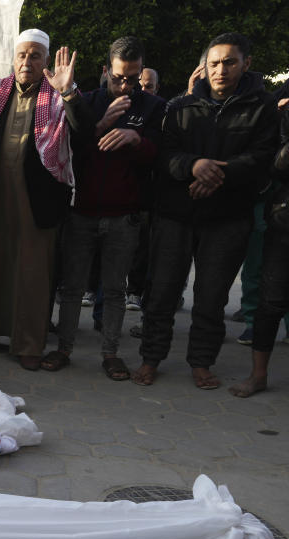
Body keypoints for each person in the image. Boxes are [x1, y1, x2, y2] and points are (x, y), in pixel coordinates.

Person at [132, 33, 278, 389]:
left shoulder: (262, 109)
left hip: (228, 217)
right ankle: (151, 359)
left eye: (229, 62)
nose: (221, 70)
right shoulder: (181, 107)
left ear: (247, 64)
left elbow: (263, 159)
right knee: (162, 292)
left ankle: (201, 362)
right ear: (204, 67)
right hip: (175, 214)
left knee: (211, 297)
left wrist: (218, 174)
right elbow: (164, 156)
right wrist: (193, 166)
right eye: (214, 63)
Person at [0, 29, 94, 370]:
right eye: (22, 55)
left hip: (36, 198)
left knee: (31, 272)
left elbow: (85, 133)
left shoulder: (59, 96)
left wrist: (70, 92)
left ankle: (28, 343)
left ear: (46, 60)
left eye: (35, 56)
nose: (27, 62)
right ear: (13, 57)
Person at [41, 37, 164, 380]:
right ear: (106, 70)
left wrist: (136, 140)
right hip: (80, 212)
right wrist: (99, 125)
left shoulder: (152, 107)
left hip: (124, 216)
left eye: (133, 78)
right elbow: (70, 148)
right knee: (71, 287)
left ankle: (110, 353)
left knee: (114, 290)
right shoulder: (88, 102)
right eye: (119, 77)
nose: (125, 85)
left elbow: (159, 154)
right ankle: (63, 348)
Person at [230, 105, 289, 397]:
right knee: (270, 300)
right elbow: (273, 164)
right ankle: (258, 375)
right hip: (283, 220)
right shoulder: (282, 113)